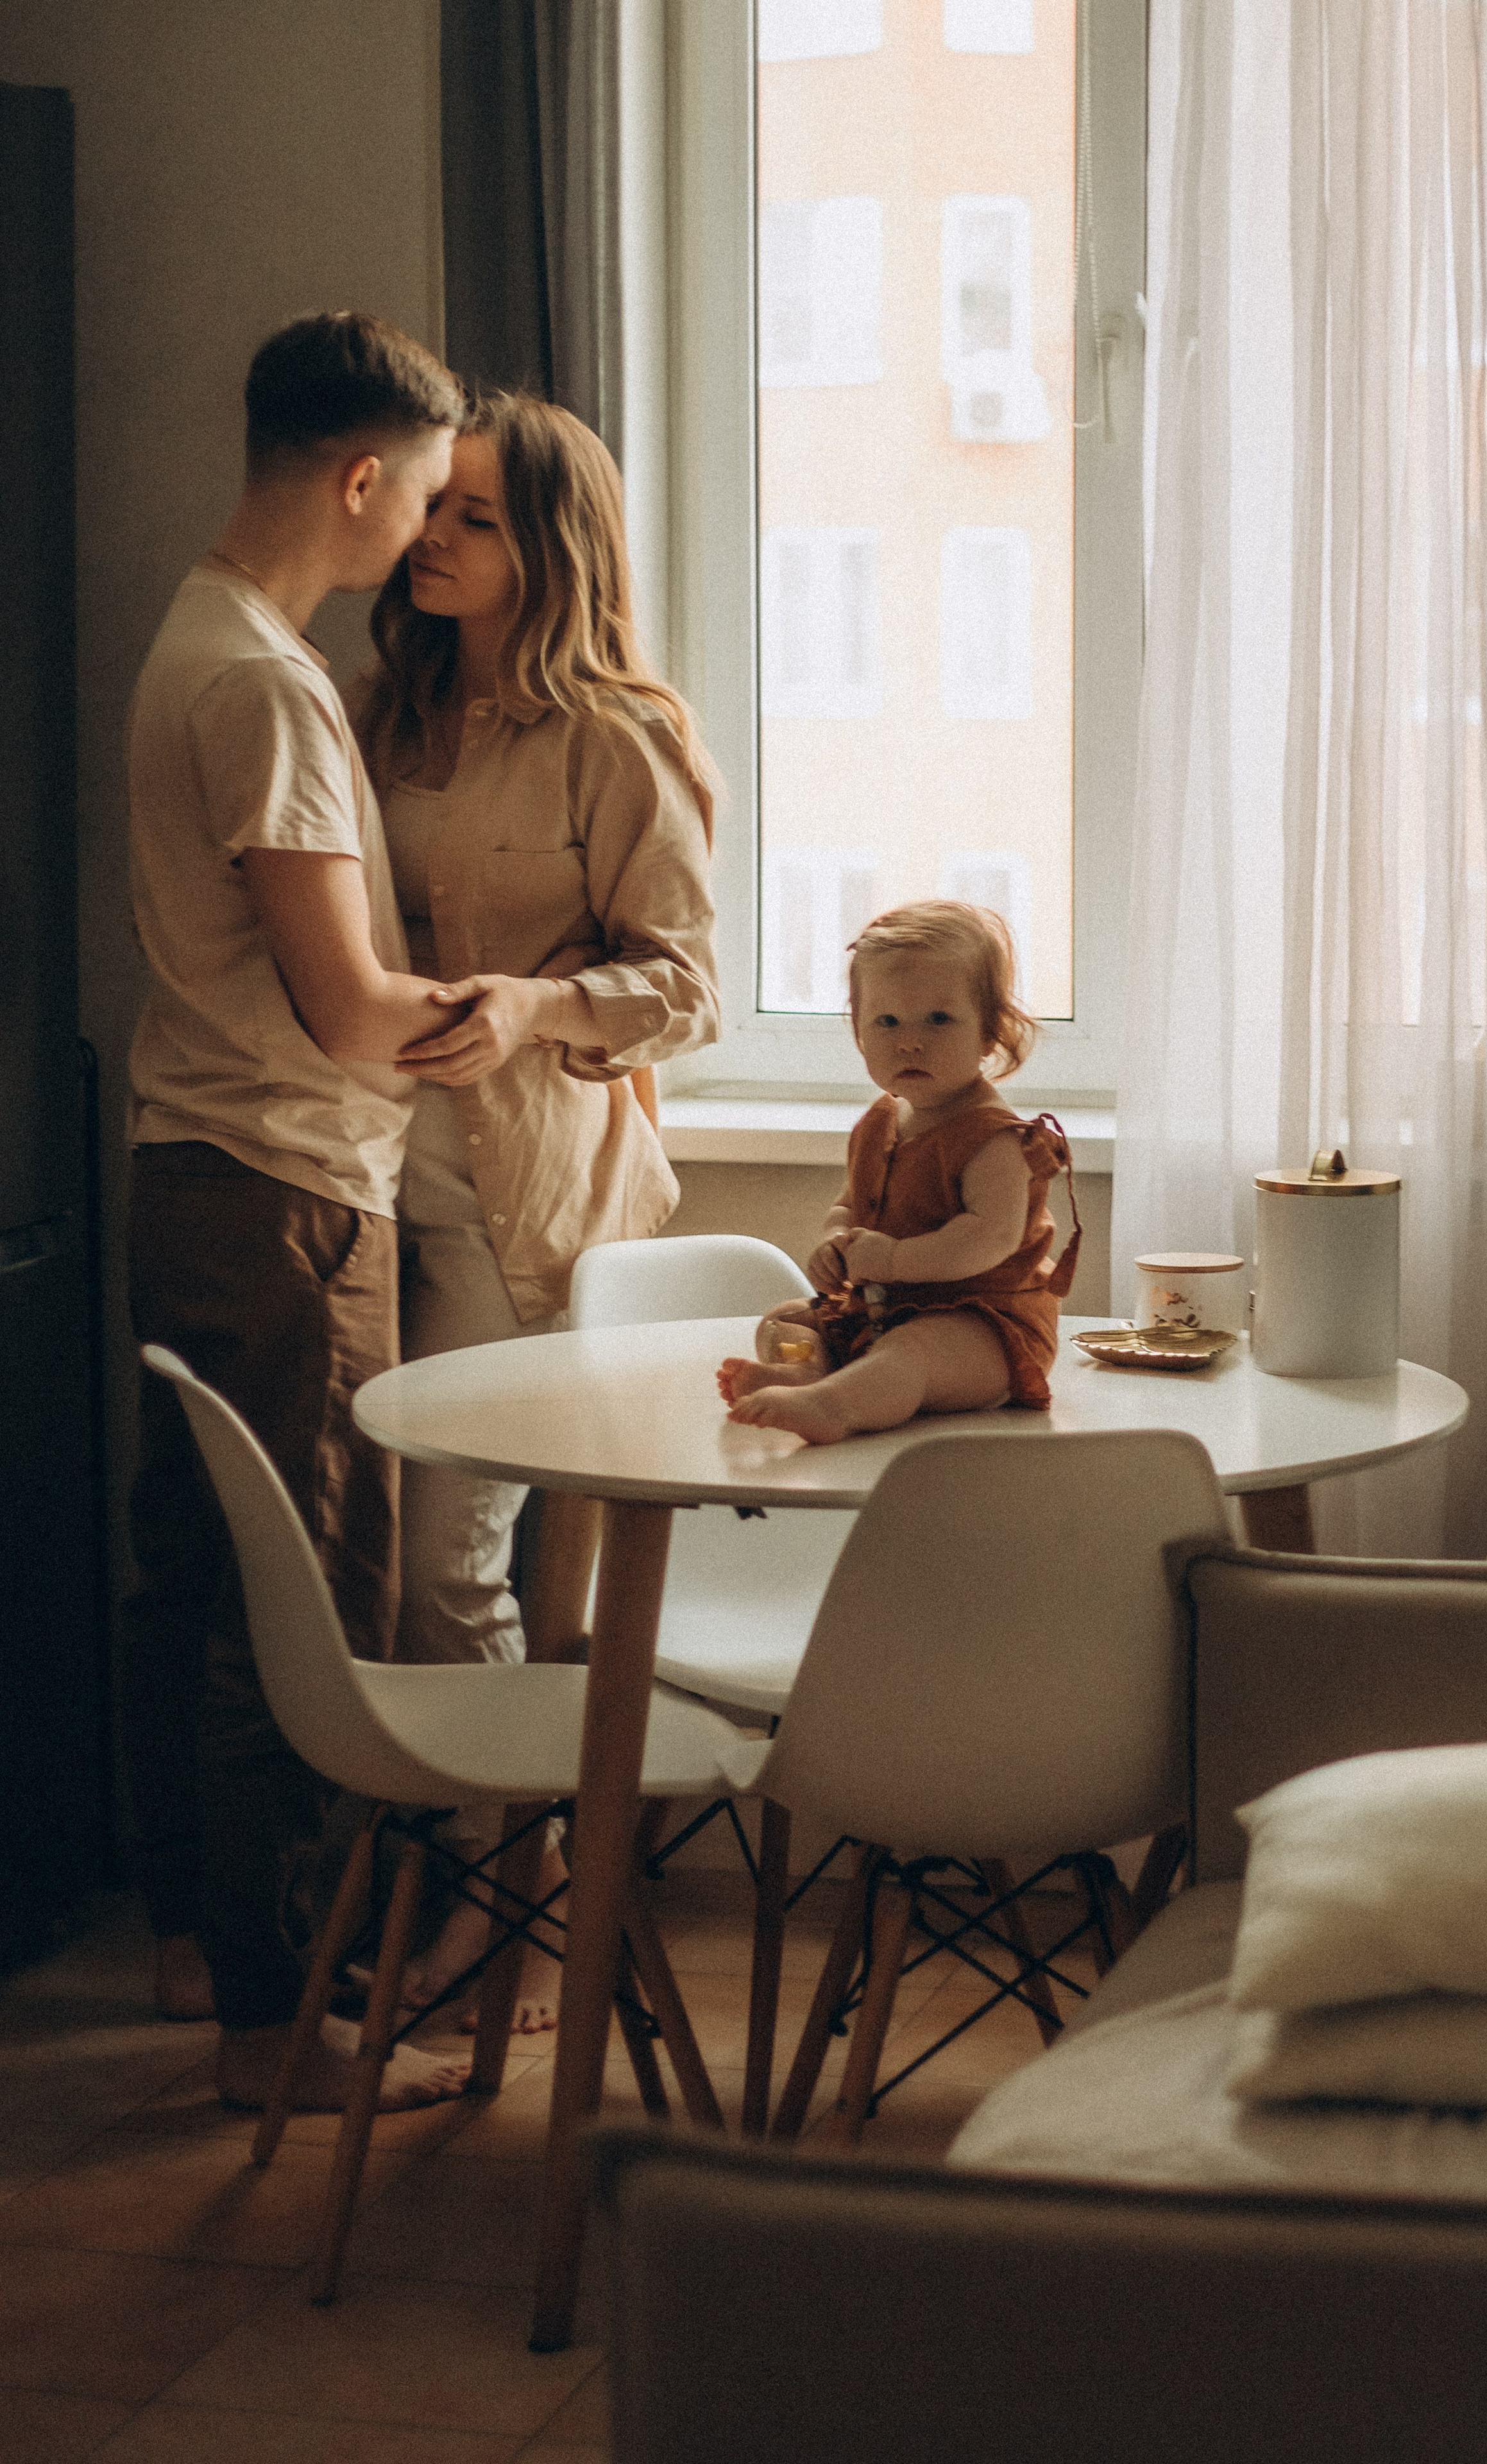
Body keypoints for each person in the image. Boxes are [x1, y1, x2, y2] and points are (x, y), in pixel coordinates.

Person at [124, 311, 472, 2110]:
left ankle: (205, 1956)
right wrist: (522, 1014)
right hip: (286, 1197)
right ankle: (284, 2026)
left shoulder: (196, 635)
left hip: (193, 1171)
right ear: (359, 478)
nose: (424, 534)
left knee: (196, 1578)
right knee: (298, 1606)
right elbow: (351, 1010)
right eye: (421, 497)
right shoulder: (262, 682)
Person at [352, 391, 719, 2022]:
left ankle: (502, 1898)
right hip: (370, 1173)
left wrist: (531, 1007)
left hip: (533, 1199)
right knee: (381, 1558)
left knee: (454, 1559)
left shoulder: (616, 733)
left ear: (549, 544)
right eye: (433, 507)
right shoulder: (390, 709)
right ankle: (474, 1868)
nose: (433, 537)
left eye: (474, 517)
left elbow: (688, 985)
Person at [718, 901, 1079, 1446]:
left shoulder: (995, 1139)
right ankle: (807, 1372)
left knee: (911, 1353)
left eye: (939, 1019)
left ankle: (833, 1405)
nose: (910, 1040)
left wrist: (892, 1259)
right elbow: (850, 1205)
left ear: (990, 1033)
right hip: (884, 1310)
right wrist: (837, 1241)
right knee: (785, 1319)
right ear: (859, 1034)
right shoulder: (881, 1121)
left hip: (986, 1327)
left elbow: (989, 1238)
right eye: (886, 1021)